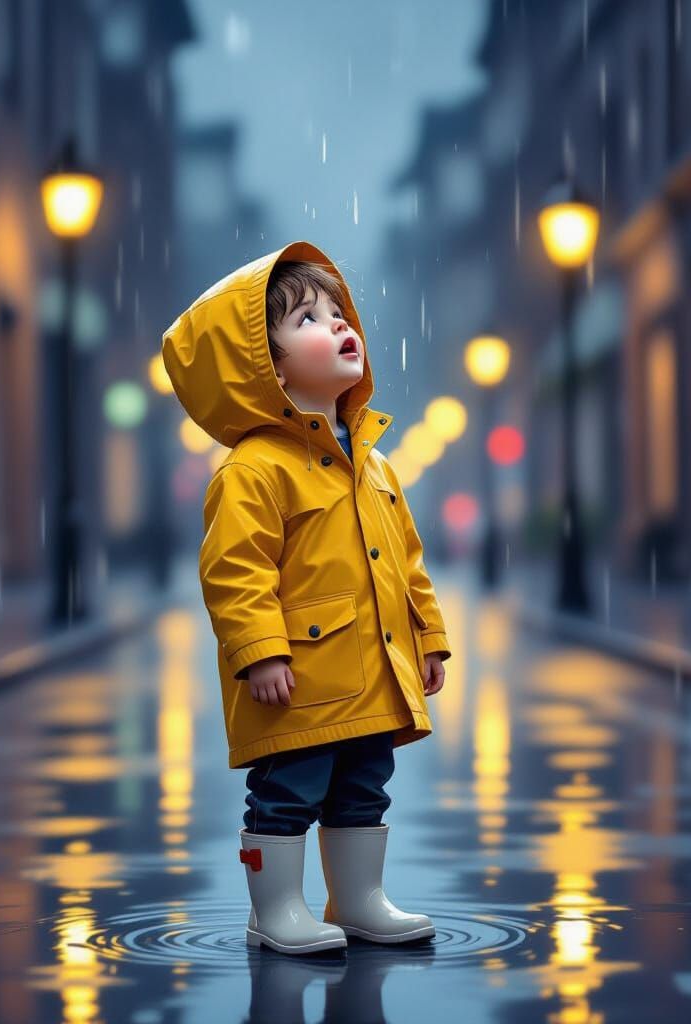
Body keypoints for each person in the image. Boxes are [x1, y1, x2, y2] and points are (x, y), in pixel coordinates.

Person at [161, 241, 452, 956]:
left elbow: (405, 560)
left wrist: (428, 638)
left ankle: (357, 899)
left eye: (337, 311)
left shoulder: (374, 463)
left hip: (372, 676)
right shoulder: (255, 471)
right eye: (309, 319)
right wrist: (260, 652)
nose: (338, 324)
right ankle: (276, 908)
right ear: (271, 366)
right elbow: (236, 571)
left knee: (364, 786)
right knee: (287, 792)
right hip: (298, 683)